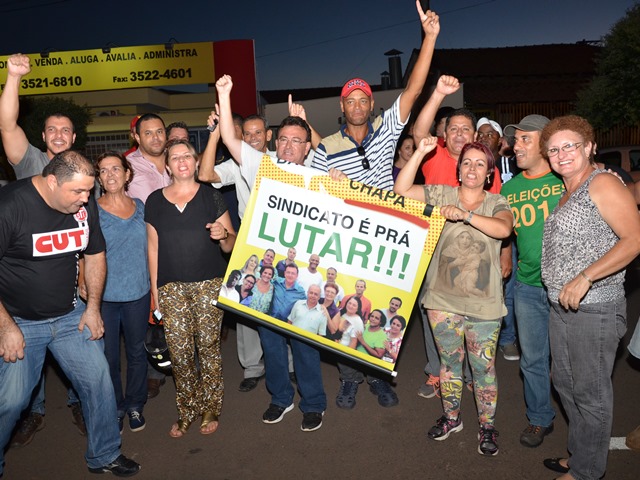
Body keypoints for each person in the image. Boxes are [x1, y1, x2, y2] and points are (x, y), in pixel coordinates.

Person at [0, 150, 140, 477]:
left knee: (99, 381)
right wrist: (5, 326)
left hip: (69, 315)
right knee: (11, 401)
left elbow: (95, 254)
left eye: (88, 192)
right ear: (51, 181)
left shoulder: (82, 202)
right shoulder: (10, 206)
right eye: (77, 192)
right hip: (19, 321)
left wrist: (92, 308)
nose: (85, 199)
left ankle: (104, 454)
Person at [395, 137, 513, 456]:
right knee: (449, 364)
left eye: (480, 163)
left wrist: (465, 215)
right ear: (458, 170)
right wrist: (420, 152)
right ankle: (452, 417)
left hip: (484, 304)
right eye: (466, 162)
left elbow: (504, 230)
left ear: (489, 173)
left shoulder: (496, 202)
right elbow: (401, 190)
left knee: (483, 367)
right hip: (442, 301)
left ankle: (487, 426)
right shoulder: (442, 194)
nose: (472, 168)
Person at [538, 115, 640, 480]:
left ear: (589, 147)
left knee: (591, 394)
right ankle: (580, 454)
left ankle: (586, 473)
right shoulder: (567, 189)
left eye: (570, 146)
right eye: (553, 149)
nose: (562, 154)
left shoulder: (602, 184)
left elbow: (634, 240)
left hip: (596, 307)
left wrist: (585, 277)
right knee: (564, 383)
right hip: (562, 307)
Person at [0, 52, 85, 445]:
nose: (57, 134)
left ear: (73, 137)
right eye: (51, 129)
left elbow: (89, 236)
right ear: (44, 135)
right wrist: (13, 76)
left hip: (69, 290)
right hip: (27, 291)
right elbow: (7, 124)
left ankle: (76, 404)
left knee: (82, 363)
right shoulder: (31, 161)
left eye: (65, 130)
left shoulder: (85, 174)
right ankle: (32, 413)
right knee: (25, 373)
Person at [145, 139, 236, 437]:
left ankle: (211, 406)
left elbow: (230, 243)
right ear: (168, 165)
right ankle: (187, 408)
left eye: (187, 155)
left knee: (208, 349)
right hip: (170, 288)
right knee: (181, 353)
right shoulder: (155, 201)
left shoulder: (212, 197)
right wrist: (155, 290)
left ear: (197, 162)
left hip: (209, 283)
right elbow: (153, 247)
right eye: (175, 157)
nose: (182, 161)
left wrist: (223, 235)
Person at [312, 2, 440, 191]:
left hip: (386, 219)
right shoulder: (326, 147)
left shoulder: (386, 129)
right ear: (342, 106)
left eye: (363, 101)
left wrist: (430, 37)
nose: (357, 107)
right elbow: (314, 194)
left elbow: (413, 91)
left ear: (372, 104)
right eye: (350, 101)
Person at [500, 114, 561, 448]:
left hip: (566, 288)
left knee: (566, 362)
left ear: (546, 143)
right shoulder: (509, 189)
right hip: (526, 288)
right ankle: (539, 419)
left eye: (525, 139)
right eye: (515, 139)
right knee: (533, 359)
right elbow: (506, 230)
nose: (515, 146)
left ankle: (580, 416)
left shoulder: (565, 179)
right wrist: (507, 252)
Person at [94, 152, 150, 433]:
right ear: (99, 178)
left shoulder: (141, 207)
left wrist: (154, 290)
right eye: (103, 171)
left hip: (138, 293)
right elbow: (84, 252)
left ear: (128, 174)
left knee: (138, 353)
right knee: (109, 358)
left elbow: (151, 250)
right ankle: (115, 405)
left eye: (116, 168)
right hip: (104, 297)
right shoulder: (92, 210)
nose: (111, 174)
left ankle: (135, 405)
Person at [477, 117, 520, 361]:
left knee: (508, 290)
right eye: (480, 134)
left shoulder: (512, 165)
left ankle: (507, 339)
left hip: (506, 238)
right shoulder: (469, 163)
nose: (484, 137)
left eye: (490, 134)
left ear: (500, 140)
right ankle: (482, 343)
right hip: (477, 235)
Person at [284, 284, 328, 431]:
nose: (313, 295)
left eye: (316, 294)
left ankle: (315, 406)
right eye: (311, 292)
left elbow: (321, 335)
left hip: (309, 346)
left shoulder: (322, 313)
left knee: (308, 369)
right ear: (307, 293)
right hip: (293, 339)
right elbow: (290, 321)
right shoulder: (298, 304)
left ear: (319, 296)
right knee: (294, 366)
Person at [126, 113, 171, 204]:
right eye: (148, 133)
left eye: (159, 131)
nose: (155, 137)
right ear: (138, 138)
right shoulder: (127, 165)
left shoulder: (178, 160)